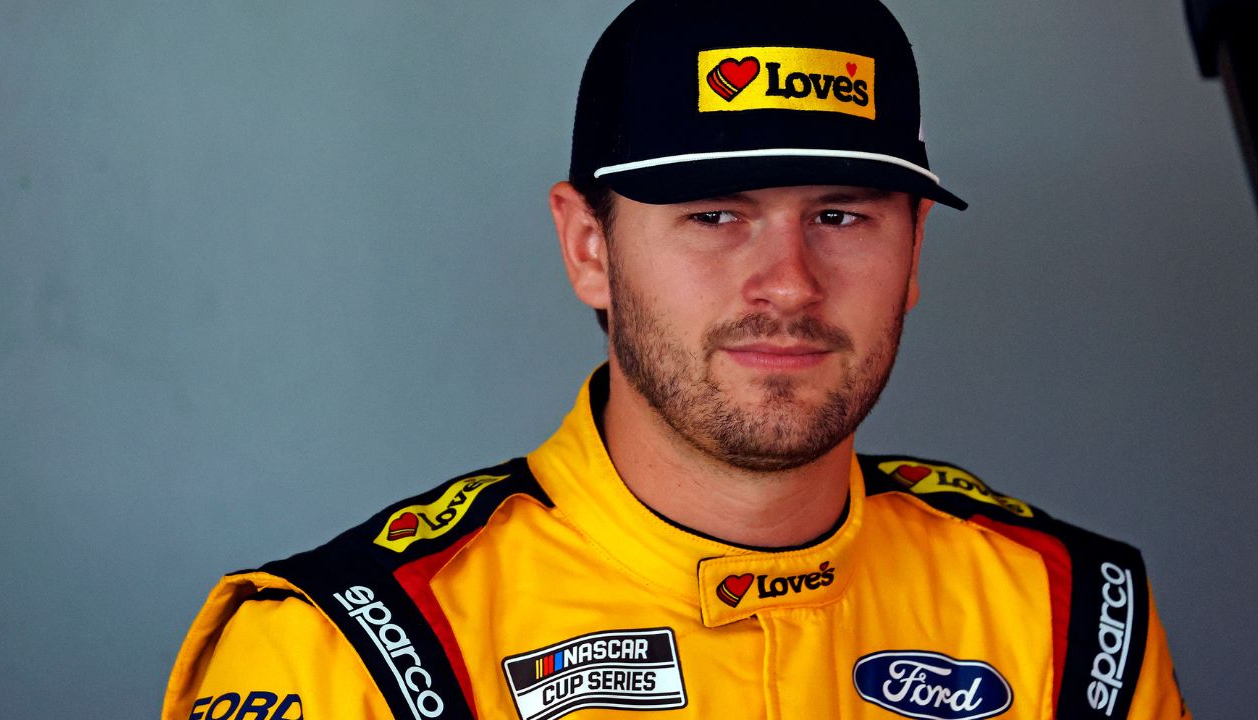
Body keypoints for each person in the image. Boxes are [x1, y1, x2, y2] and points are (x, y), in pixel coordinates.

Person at [162, 1, 1190, 718]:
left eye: (839, 215)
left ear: (913, 249)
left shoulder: (1065, 618)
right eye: (711, 215)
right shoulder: (353, 649)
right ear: (587, 248)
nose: (786, 282)